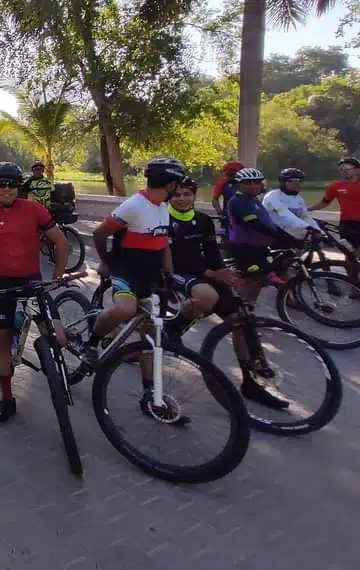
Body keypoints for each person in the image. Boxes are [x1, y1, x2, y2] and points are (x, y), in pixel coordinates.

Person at [166, 178, 287, 409]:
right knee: (205, 297)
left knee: (239, 320)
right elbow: (175, 259)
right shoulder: (164, 219)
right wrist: (212, 273)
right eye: (176, 195)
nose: (182, 199)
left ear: (194, 196)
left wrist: (223, 271)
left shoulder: (202, 220)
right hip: (178, 272)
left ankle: (249, 382)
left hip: (207, 272)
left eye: (186, 194)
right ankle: (173, 328)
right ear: (170, 198)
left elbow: (212, 252)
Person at [0, 162, 67, 423]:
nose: (7, 189)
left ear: (19, 186)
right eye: (1, 183)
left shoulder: (35, 209)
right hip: (1, 285)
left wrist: (57, 277)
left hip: (33, 282)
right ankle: (8, 398)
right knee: (3, 343)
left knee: (59, 337)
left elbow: (60, 242)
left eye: (12, 184)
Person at [88, 157, 186, 415]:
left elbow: (164, 244)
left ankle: (150, 393)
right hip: (126, 271)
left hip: (150, 276)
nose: (179, 188)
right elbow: (100, 233)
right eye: (178, 183)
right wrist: (107, 262)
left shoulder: (162, 207)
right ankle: (92, 341)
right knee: (125, 310)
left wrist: (169, 273)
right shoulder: (134, 205)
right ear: (170, 182)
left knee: (150, 335)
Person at [227, 168, 301, 304]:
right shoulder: (239, 202)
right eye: (248, 183)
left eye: (257, 183)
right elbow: (256, 225)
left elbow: (268, 222)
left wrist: (286, 234)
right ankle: (239, 315)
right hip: (245, 248)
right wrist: (283, 237)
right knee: (250, 281)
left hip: (258, 247)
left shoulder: (252, 199)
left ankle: (249, 310)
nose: (253, 186)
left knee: (257, 281)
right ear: (238, 184)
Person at [309, 156, 360, 281]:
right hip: (347, 225)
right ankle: (353, 284)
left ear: (357, 169)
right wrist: (306, 209)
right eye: (342, 169)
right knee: (349, 256)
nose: (344, 171)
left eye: (347, 168)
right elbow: (324, 203)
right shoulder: (335, 187)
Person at [263, 168, 322, 243]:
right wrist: (308, 227)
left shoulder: (299, 199)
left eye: (298, 181)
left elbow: (305, 217)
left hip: (289, 233)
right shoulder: (272, 196)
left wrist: (319, 231)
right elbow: (284, 214)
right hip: (271, 234)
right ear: (282, 182)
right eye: (291, 181)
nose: (295, 184)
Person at [211, 161, 245, 240]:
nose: (230, 177)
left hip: (244, 215)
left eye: (232, 175)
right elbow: (215, 199)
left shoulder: (247, 182)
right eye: (228, 175)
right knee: (226, 241)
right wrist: (219, 212)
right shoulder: (222, 183)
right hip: (227, 217)